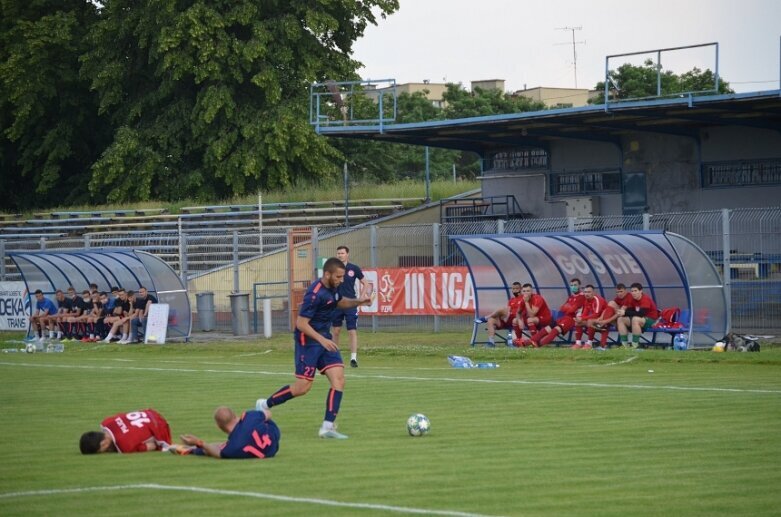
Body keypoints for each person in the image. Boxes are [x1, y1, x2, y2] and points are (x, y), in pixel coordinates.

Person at [256, 257, 371, 440]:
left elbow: (339, 302)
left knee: (339, 380)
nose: (341, 280)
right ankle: (264, 404)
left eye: (342, 277)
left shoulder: (333, 288)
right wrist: (321, 339)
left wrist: (359, 301)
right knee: (303, 387)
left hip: (323, 338)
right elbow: (301, 323)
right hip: (307, 341)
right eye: (339, 277)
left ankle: (327, 428)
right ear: (327, 274)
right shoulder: (314, 294)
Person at [170, 406, 280, 459]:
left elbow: (217, 452)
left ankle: (190, 450)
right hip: (274, 439)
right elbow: (268, 414)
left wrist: (198, 443)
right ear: (234, 415)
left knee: (233, 445)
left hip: (266, 451)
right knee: (255, 425)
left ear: (219, 426)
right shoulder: (249, 416)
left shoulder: (232, 448)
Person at [331, 245, 371, 367]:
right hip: (337, 304)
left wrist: (361, 298)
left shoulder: (353, 268)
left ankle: (353, 358)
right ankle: (334, 358)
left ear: (347, 254)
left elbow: (365, 283)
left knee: (352, 331)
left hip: (351, 304)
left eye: (342, 253)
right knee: (336, 331)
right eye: (338, 253)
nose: (340, 255)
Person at [79, 408, 172, 454]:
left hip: (160, 427)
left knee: (164, 448)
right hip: (149, 412)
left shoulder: (124, 446)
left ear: (104, 443)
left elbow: (151, 446)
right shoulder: (106, 422)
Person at [523, 278, 584, 347]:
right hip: (564, 317)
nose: (573, 287)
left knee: (555, 330)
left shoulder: (582, 297)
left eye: (575, 285)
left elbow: (572, 309)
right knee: (547, 328)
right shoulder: (571, 297)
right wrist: (567, 308)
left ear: (580, 286)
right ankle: (528, 343)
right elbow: (562, 308)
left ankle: (539, 345)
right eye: (571, 285)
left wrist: (568, 307)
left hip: (572, 319)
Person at [474, 281, 524, 347]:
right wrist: (502, 316)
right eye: (513, 289)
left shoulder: (524, 298)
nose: (514, 290)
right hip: (507, 319)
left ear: (521, 289)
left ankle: (485, 318)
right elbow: (508, 310)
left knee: (502, 309)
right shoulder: (512, 300)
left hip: (516, 319)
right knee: (491, 320)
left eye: (517, 289)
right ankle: (491, 342)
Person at [616, 282, 660, 348]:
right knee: (620, 319)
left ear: (641, 291)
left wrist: (625, 312)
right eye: (632, 291)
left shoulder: (645, 299)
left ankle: (635, 345)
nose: (633, 293)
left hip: (651, 320)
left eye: (635, 291)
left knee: (635, 319)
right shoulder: (632, 299)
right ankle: (624, 345)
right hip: (640, 319)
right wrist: (622, 312)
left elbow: (641, 313)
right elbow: (630, 310)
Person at [572, 284, 608, 349]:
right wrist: (580, 318)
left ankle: (589, 343)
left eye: (589, 292)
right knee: (578, 322)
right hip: (596, 320)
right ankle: (578, 343)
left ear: (593, 293)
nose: (586, 294)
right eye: (585, 292)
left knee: (590, 321)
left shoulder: (597, 299)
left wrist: (582, 318)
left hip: (604, 320)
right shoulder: (586, 300)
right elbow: (585, 312)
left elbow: (596, 314)